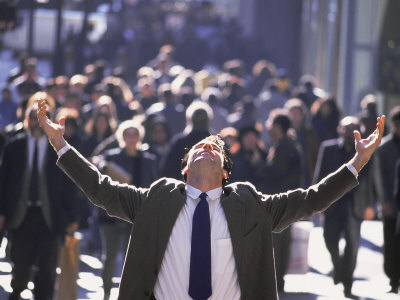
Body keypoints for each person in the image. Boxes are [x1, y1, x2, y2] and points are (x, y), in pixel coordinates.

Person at [37, 98, 385, 300]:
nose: (208, 146)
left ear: (225, 172)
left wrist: (357, 162)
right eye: (200, 148)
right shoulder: (157, 197)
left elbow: (312, 200)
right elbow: (100, 189)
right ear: (185, 169)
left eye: (216, 148)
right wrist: (60, 145)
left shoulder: (250, 203)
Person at [0, 99, 79, 300]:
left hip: (49, 217)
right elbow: (4, 180)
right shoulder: (14, 146)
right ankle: (16, 291)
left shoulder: (59, 147)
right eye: (33, 118)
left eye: (41, 119)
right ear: (26, 119)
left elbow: (70, 183)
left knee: (47, 270)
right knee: (21, 265)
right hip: (21, 215)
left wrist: (72, 216)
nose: (37, 123)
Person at [313, 116, 379, 298]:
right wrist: (314, 202)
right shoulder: (328, 148)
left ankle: (347, 284)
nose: (350, 132)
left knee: (352, 245)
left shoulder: (365, 150)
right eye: (346, 128)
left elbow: (372, 179)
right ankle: (339, 267)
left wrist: (371, 204)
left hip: (354, 205)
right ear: (339, 130)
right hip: (332, 203)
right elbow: (320, 175)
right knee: (329, 239)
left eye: (354, 128)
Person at [377, 106, 400, 293]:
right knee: (391, 241)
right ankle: (393, 278)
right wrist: (384, 201)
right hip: (391, 205)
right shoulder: (384, 148)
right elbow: (380, 178)